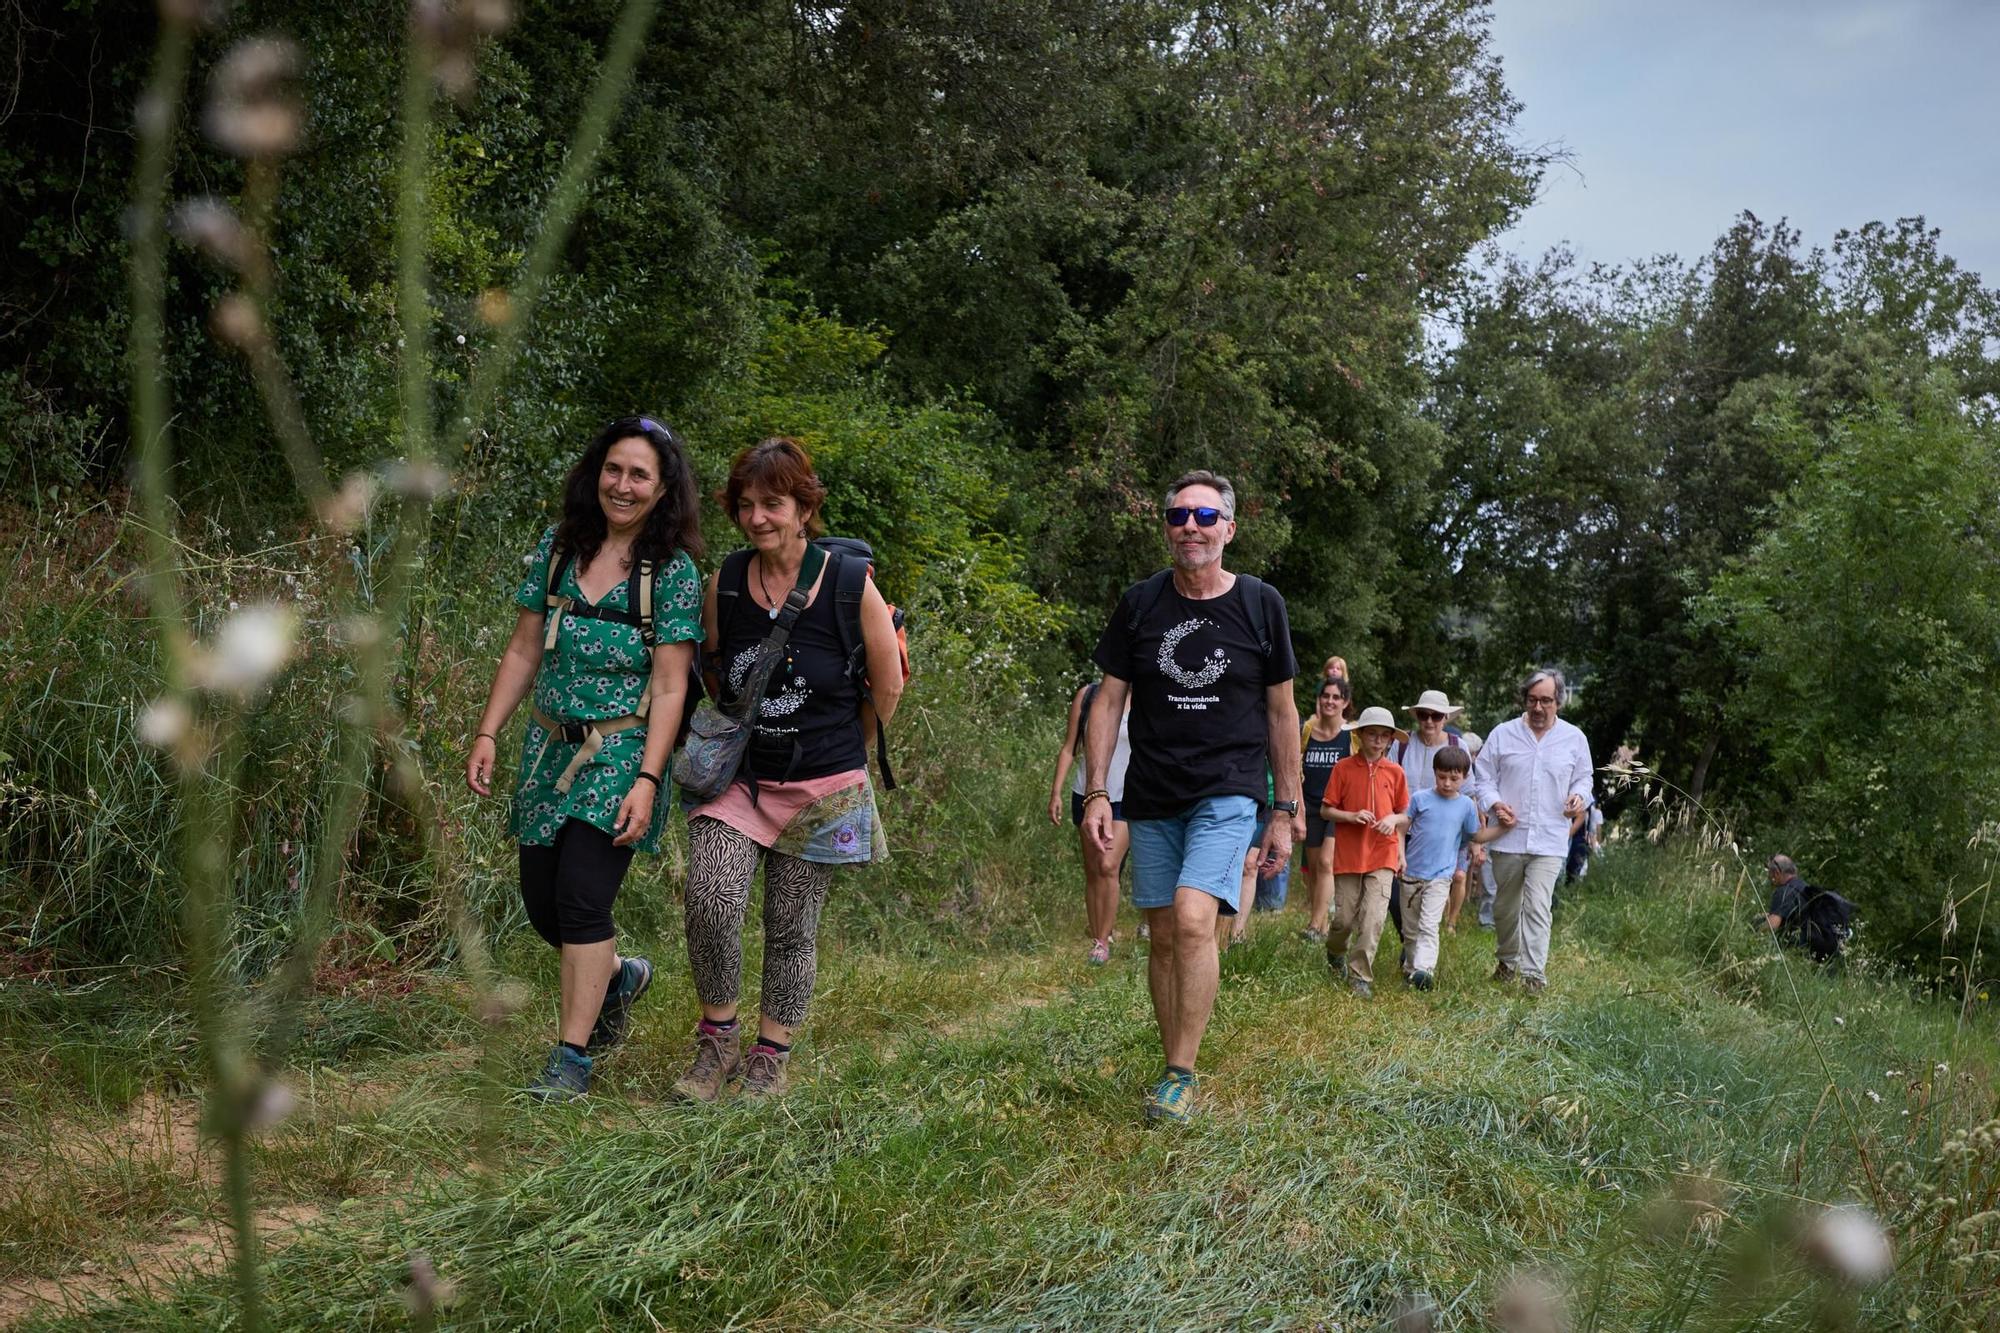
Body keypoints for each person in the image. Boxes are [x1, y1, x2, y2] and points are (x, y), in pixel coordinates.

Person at [466, 415, 705, 1101]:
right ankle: (622, 976)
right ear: (594, 473)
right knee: (544, 908)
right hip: (549, 746)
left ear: (663, 491)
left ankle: (571, 1059)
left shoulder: (673, 574)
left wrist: (649, 777)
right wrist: (488, 731)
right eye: (614, 469)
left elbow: (669, 685)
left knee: (581, 896)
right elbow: (522, 648)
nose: (622, 485)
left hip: (624, 750)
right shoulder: (559, 547)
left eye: (639, 475)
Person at [671, 438, 904, 1102]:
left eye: (772, 503)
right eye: (745, 505)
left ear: (804, 507)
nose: (756, 518)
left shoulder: (850, 584)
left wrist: (840, 749)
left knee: (792, 924)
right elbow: (714, 669)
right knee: (711, 898)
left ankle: (771, 1054)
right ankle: (716, 1039)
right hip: (742, 778)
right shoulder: (727, 580)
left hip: (822, 784)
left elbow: (886, 685)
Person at [1083, 470, 1300, 1125]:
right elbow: (1109, 698)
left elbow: (1283, 713)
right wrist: (1098, 789)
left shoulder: (1261, 605)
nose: (1191, 527)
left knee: (1193, 916)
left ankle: (1180, 1071)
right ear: (1167, 526)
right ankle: (1169, 1053)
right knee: (1161, 938)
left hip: (1229, 787)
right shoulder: (1141, 603)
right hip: (1151, 789)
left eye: (1206, 516)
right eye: (1179, 515)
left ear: (1229, 529)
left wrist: (1285, 810)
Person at [1470, 668, 1594, 994]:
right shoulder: (1502, 734)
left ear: (1559, 702)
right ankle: (1508, 962)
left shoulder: (1574, 738)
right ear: (1524, 700)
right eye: (1533, 700)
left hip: (1550, 839)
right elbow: (1482, 778)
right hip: (1508, 837)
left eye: (1546, 701)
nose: (1538, 708)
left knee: (1538, 905)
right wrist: (1495, 804)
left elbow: (1585, 780)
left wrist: (1579, 797)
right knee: (1505, 908)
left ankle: (1533, 976)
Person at [1380, 747, 1510, 989]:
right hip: (1411, 875)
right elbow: (1402, 827)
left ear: (1464, 778)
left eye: (1454, 778)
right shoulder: (1420, 798)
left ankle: (1424, 971)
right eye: (1442, 777)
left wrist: (1503, 828)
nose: (1447, 783)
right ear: (1434, 773)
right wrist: (1400, 855)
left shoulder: (1465, 806)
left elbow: (1477, 835)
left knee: (1429, 925)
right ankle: (1410, 968)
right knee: (1410, 930)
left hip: (1441, 877)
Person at [1320, 705, 1410, 999]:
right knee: (1343, 919)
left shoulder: (1396, 772)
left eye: (1384, 736)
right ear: (1360, 735)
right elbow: (1325, 809)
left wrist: (1392, 820)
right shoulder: (1343, 768)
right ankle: (1335, 951)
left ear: (1390, 741)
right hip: (1349, 854)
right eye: (1372, 734)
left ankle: (1360, 975)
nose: (1378, 740)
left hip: (1383, 853)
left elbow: (1405, 814)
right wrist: (1351, 816)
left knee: (1373, 918)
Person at [1048, 681, 1131, 965]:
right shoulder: (1089, 695)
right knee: (1094, 870)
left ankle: (1102, 941)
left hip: (1127, 798)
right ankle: (1098, 934)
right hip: (1086, 794)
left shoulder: (1147, 696)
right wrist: (1056, 792)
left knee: (1108, 865)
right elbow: (1069, 748)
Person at [1388, 690, 1466, 945]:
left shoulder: (1457, 746)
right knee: (1394, 892)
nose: (1429, 721)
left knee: (1432, 892)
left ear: (1445, 718)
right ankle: (1409, 939)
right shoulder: (1401, 745)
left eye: (1436, 715)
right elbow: (1387, 782)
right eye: (1424, 715)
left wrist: (1475, 841)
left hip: (1439, 834)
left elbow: (1470, 792)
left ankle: (1420, 952)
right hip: (1401, 830)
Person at [1296, 675, 1353, 942]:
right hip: (1311, 805)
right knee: (1315, 866)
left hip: (1339, 808)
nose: (1330, 701)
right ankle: (1319, 918)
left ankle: (1316, 925)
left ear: (1345, 702)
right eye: (1325, 696)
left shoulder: (1351, 734)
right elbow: (1296, 762)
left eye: (1336, 697)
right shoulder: (1308, 729)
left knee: (1328, 862)